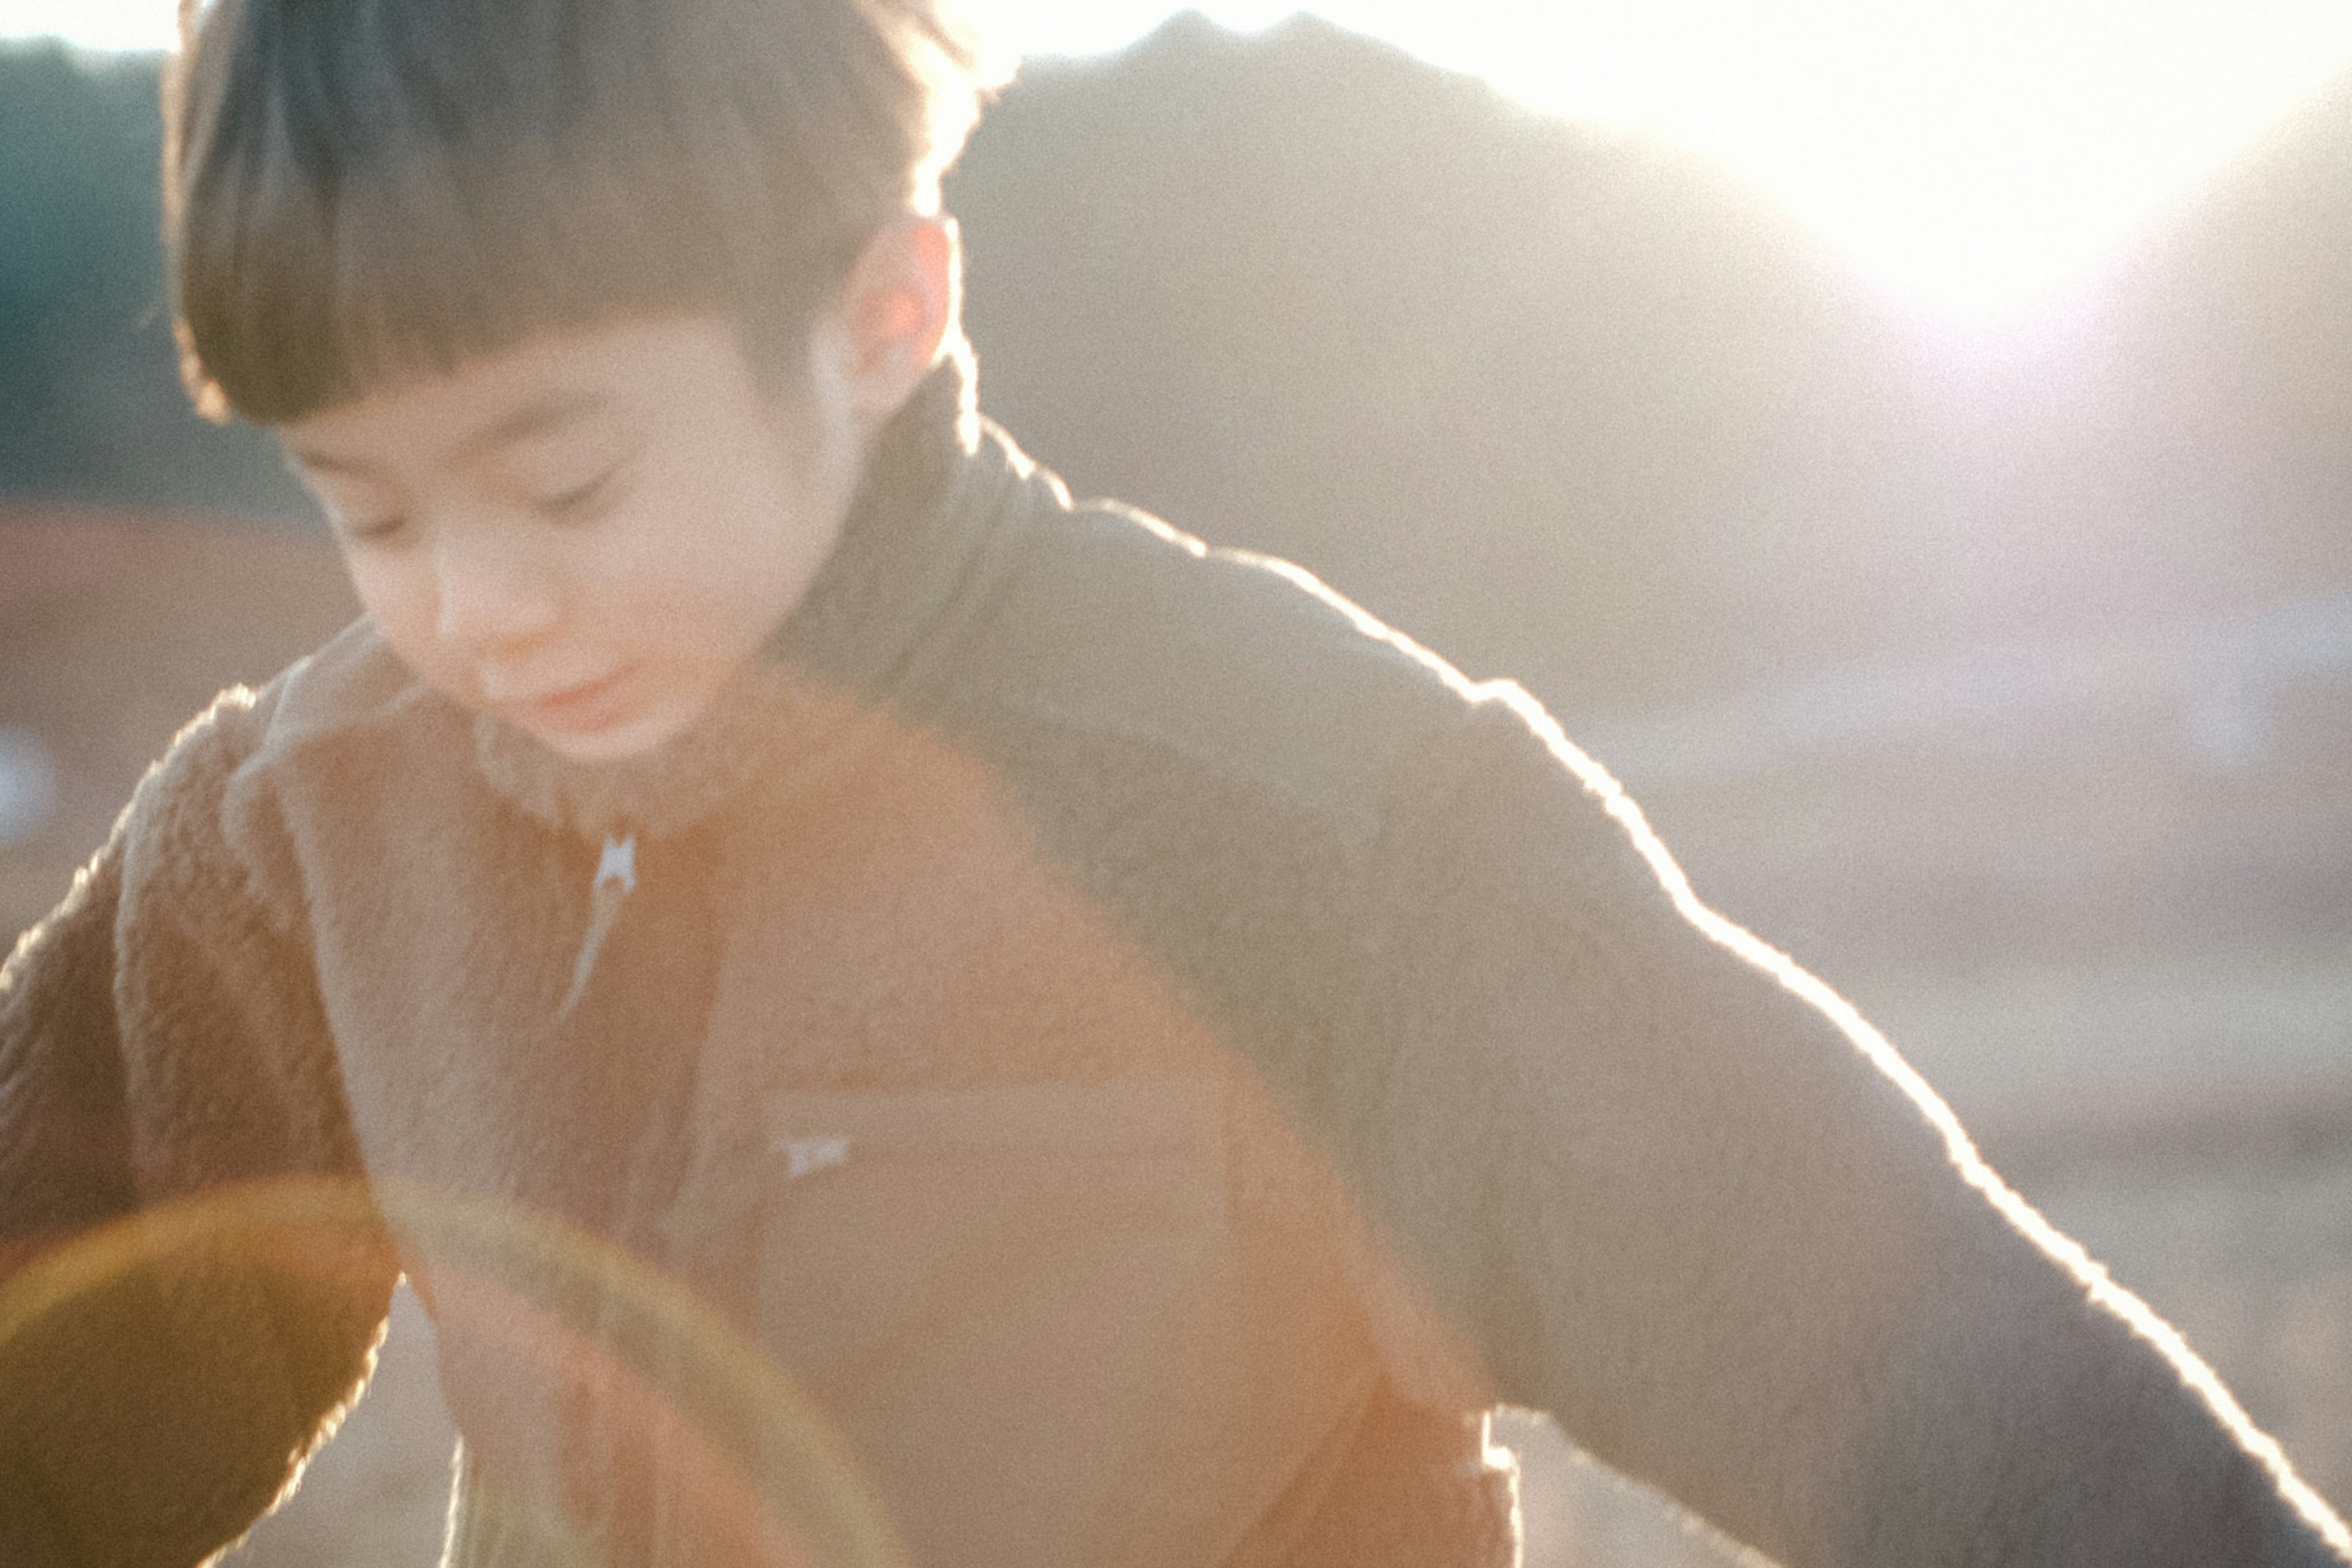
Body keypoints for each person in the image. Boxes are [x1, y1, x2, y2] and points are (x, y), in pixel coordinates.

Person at [0, 0, 2345, 1564]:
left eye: (564, 481)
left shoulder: (1313, 823)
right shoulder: (304, 838)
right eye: (366, 507)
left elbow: (1921, 1374)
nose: (471, 607)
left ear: (882, 316)